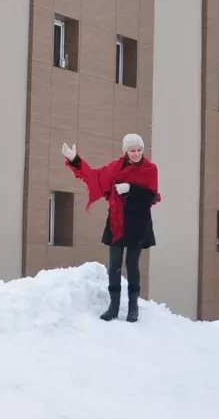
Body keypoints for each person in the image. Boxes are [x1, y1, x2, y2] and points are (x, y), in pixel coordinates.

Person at [60, 134, 160, 322]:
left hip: (139, 223)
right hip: (117, 221)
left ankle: (133, 308)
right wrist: (75, 159)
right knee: (114, 265)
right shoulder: (115, 168)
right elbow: (94, 177)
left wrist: (130, 188)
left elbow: (152, 196)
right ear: (126, 151)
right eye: (132, 150)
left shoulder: (150, 169)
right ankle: (113, 308)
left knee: (132, 265)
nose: (136, 153)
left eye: (139, 150)